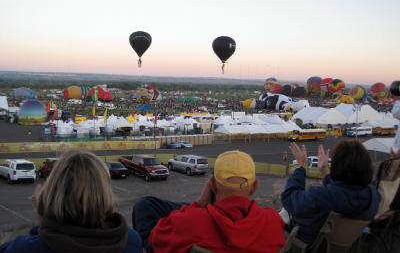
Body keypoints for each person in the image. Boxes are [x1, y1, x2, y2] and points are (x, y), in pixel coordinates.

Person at [132, 150, 285, 253]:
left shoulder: (190, 222)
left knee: (144, 205)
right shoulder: (272, 221)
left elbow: (155, 240)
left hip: (201, 219)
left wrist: (198, 204)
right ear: (255, 187)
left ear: (211, 185)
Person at [0, 151, 142, 253]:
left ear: (52, 192)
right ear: (106, 193)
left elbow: (41, 241)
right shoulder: (131, 241)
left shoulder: (22, 248)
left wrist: (43, 215)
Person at [281, 140, 381, 245]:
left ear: (337, 166)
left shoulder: (319, 196)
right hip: (348, 245)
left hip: (308, 244)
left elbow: (289, 198)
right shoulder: (373, 195)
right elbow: (342, 192)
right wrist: (325, 172)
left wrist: (301, 167)